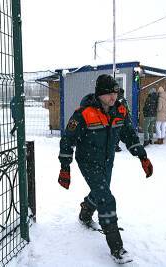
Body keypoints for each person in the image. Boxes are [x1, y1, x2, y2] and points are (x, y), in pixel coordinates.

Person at [57, 74, 153, 264]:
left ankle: (85, 212)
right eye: (109, 93)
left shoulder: (120, 111)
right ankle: (117, 248)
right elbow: (68, 140)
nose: (113, 97)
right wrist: (65, 167)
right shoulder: (83, 114)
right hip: (88, 161)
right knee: (107, 199)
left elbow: (129, 135)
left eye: (115, 93)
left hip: (107, 160)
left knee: (101, 192)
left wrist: (142, 156)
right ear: (100, 94)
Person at [114, 87, 127, 152]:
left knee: (116, 132)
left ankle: (115, 145)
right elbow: (125, 109)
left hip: (116, 118)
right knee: (117, 132)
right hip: (120, 118)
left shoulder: (116, 99)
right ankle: (115, 146)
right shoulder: (122, 100)